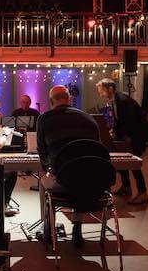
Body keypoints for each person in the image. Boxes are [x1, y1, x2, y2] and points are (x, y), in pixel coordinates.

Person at [37, 85, 100, 246]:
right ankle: (77, 229)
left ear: (51, 101)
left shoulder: (44, 119)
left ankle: (48, 227)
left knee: (43, 181)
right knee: (79, 176)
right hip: (91, 182)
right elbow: (97, 150)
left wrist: (49, 170)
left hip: (62, 181)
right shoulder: (89, 118)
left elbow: (42, 151)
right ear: (69, 98)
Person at [96, 79, 148, 205]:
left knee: (134, 164)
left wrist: (117, 133)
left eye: (102, 91)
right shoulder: (116, 100)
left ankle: (143, 193)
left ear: (110, 89)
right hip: (129, 134)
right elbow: (120, 121)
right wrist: (114, 131)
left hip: (136, 135)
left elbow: (130, 122)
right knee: (122, 159)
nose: (101, 94)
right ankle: (126, 187)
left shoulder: (123, 101)